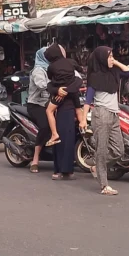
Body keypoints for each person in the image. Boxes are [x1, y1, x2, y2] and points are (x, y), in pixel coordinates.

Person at [82, 47, 129, 196]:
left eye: (112, 56)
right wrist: (83, 119)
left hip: (114, 114)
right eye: (109, 57)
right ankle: (104, 185)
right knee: (102, 150)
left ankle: (97, 167)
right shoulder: (94, 77)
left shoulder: (114, 73)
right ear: (102, 59)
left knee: (119, 150)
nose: (112, 59)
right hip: (101, 114)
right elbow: (88, 100)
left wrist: (115, 61)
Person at [44, 44, 85, 180]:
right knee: (64, 138)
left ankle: (63, 169)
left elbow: (78, 81)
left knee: (63, 138)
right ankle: (63, 169)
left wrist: (63, 91)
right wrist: (59, 90)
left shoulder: (52, 67)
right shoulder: (71, 64)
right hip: (68, 101)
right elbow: (50, 85)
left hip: (65, 104)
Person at [26, 48, 66, 173]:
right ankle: (35, 159)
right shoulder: (38, 70)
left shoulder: (51, 69)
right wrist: (57, 88)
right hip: (36, 105)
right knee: (45, 126)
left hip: (50, 104)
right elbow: (42, 85)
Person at [45, 48, 86, 147]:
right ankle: (83, 126)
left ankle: (54, 134)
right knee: (78, 108)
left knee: (49, 111)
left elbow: (50, 79)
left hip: (61, 93)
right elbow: (80, 69)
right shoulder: (71, 61)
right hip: (73, 89)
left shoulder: (51, 67)